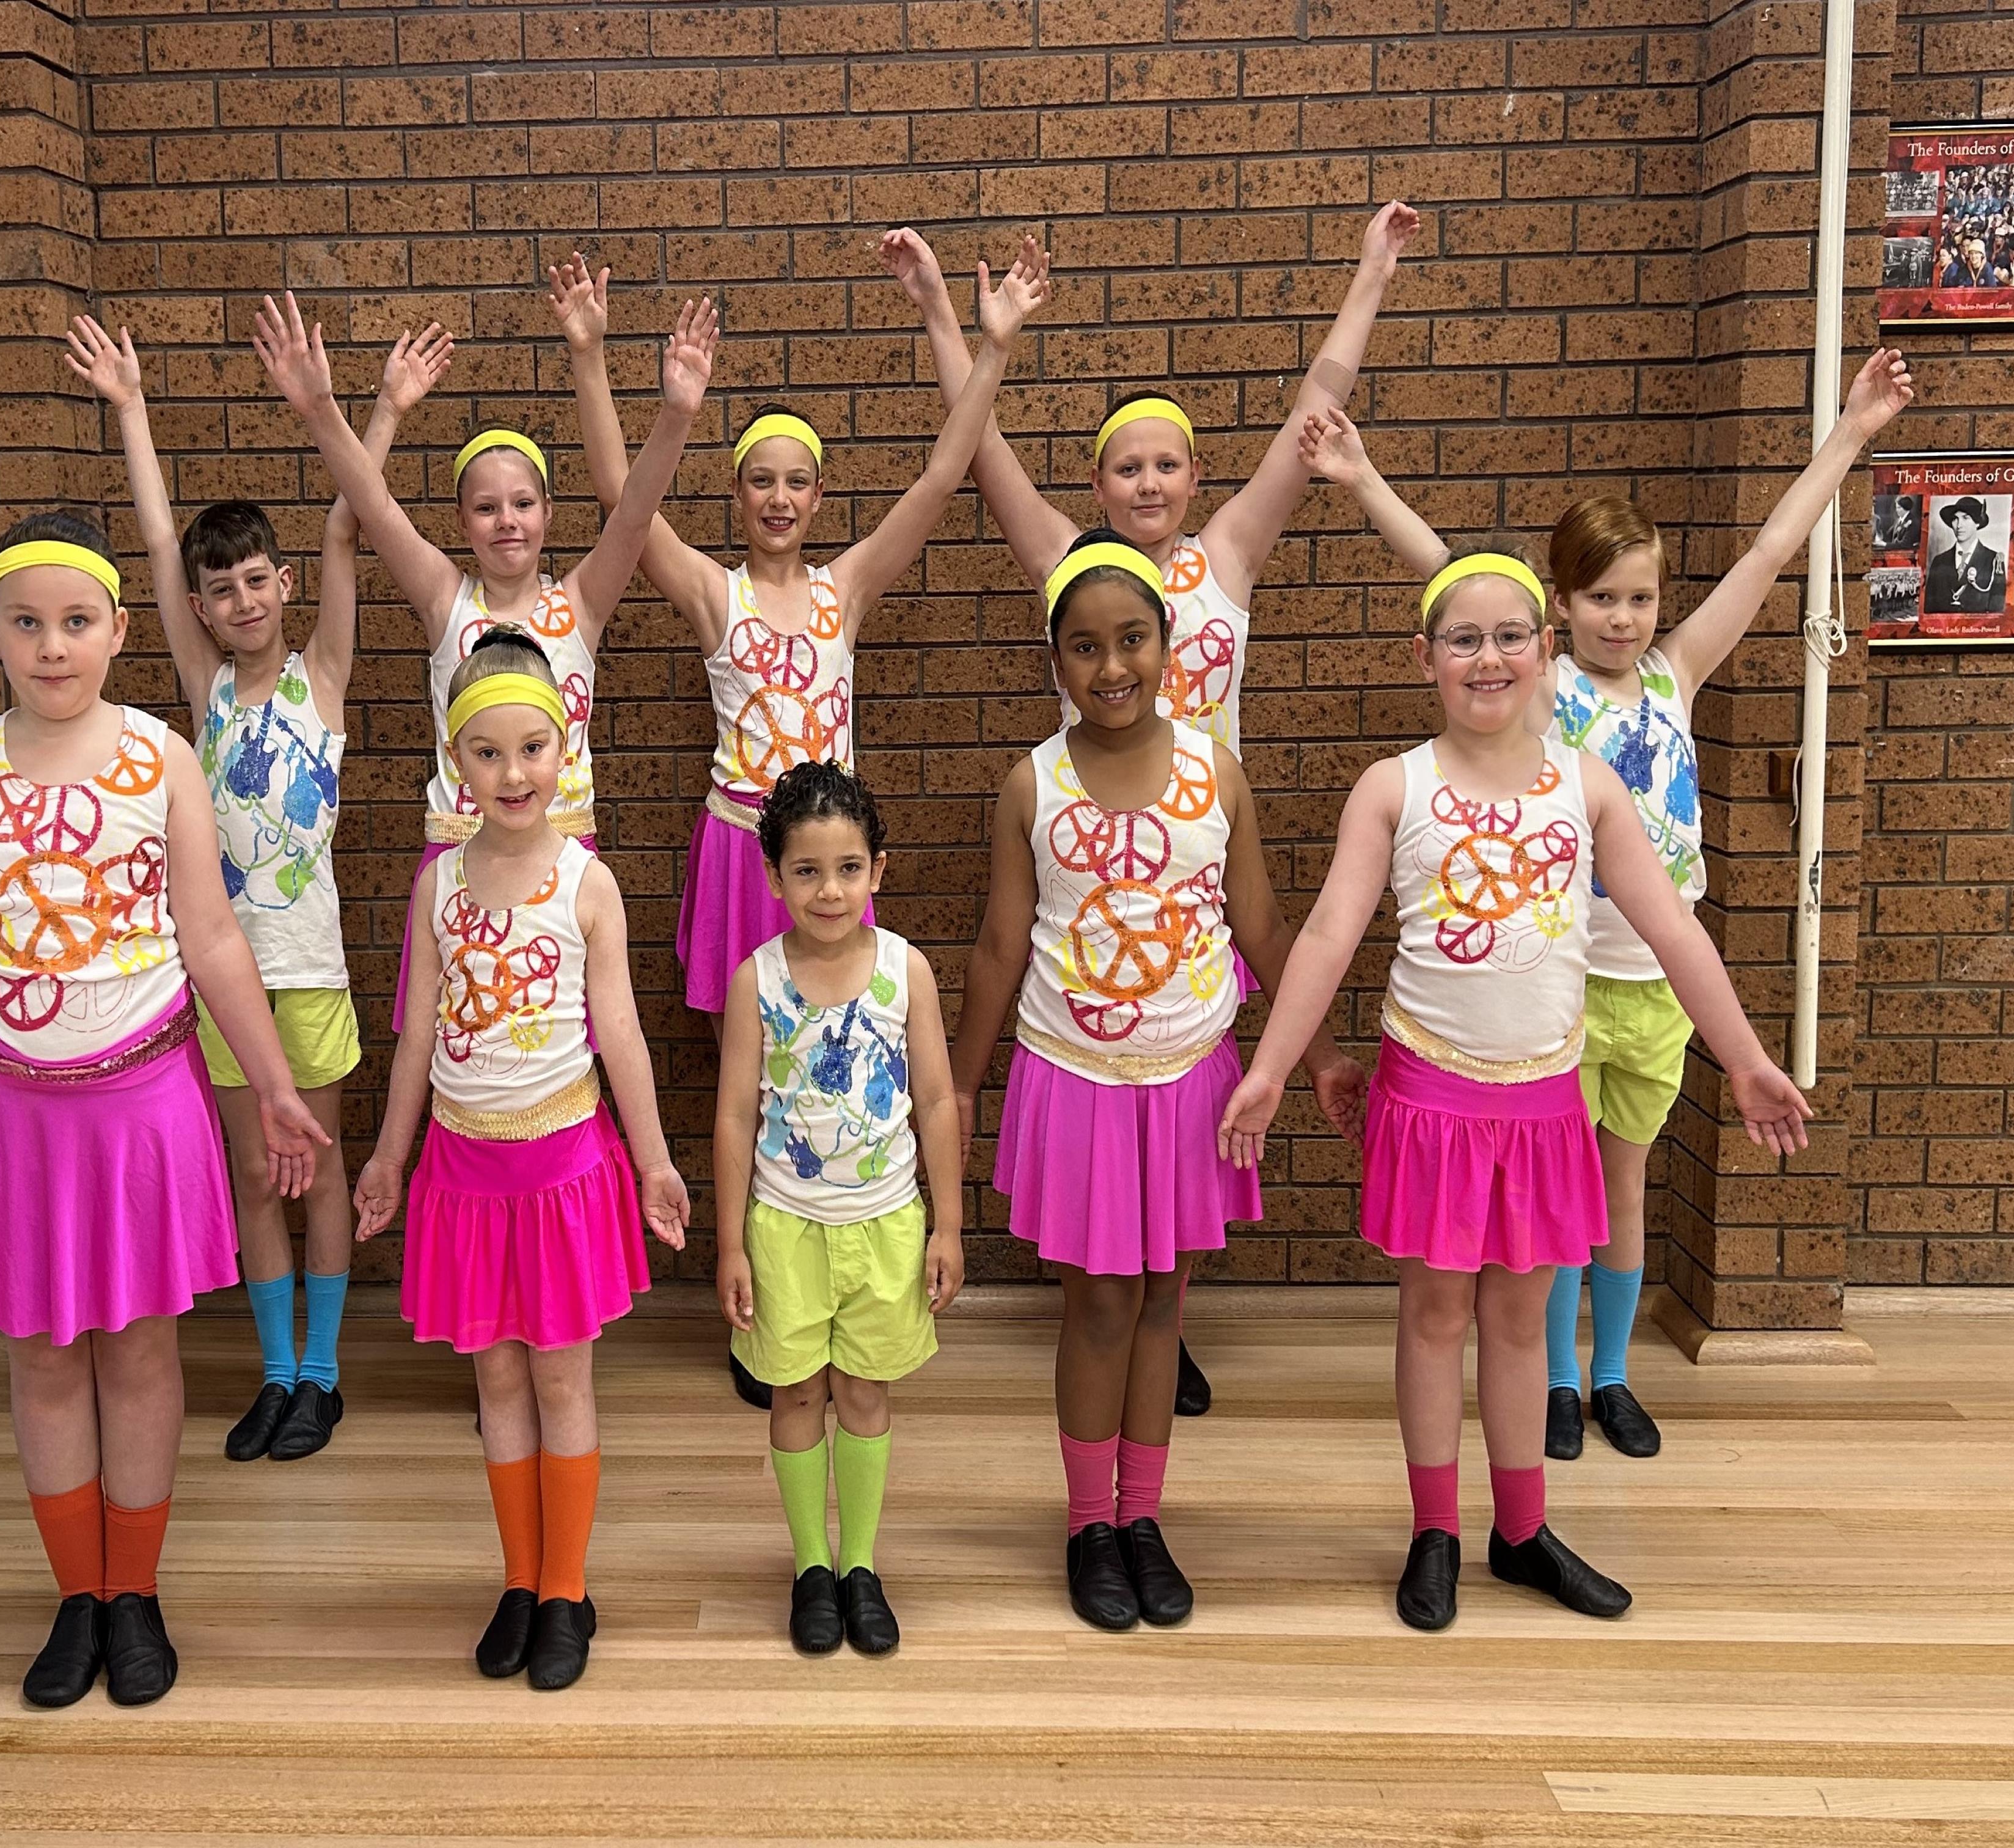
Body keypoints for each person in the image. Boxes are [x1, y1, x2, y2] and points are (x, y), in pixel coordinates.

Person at [1300, 346, 1911, 1458]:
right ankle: (1553, 1383)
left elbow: (1773, 550)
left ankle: (1612, 1373)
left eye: (1638, 598)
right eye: (1598, 599)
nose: (1622, 619)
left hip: (1657, 987)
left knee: (1618, 1184)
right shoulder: (1540, 684)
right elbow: (1452, 573)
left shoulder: (1679, 672)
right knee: (1555, 1207)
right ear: (1556, 610)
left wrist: (1852, 434)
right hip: (1554, 990)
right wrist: (1361, 478)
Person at [884, 202, 1419, 1417]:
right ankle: (1111, 1328)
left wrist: (1372, 272)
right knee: (1115, 1080)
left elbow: (1312, 411)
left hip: (1201, 853)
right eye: (1127, 466)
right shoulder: (1076, 568)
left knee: (1194, 1092)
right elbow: (983, 454)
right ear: (1100, 484)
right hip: (1094, 870)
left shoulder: (1229, 554)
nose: (1148, 482)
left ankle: (1156, 1322)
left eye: (1166, 463)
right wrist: (943, 319)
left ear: (1193, 477)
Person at [1217, 548, 1812, 1632]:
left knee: (1523, 1313)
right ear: (1424, 658)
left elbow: (1672, 927)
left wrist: (1744, 1055)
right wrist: (1267, 1068)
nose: (1486, 657)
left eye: (1507, 637)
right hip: (1432, 1095)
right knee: (1436, 1311)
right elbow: (1326, 935)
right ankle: (1435, 1527)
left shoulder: (1588, 786)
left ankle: (1522, 1529)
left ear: (1544, 652)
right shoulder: (1394, 788)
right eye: (1461, 639)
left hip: (1543, 1100)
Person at [0, 513, 329, 1706]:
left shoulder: (162, 760)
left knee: (142, 1353)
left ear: (114, 632)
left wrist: (272, 1084)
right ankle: (77, 1597)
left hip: (142, 1104)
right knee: (44, 1359)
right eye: (27, 623)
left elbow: (211, 936)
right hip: (8, 1114)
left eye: (77, 622)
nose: (53, 646)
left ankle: (138, 1594)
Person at [547, 238, 1048, 1412]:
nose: (776, 497)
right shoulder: (710, 588)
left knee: (836, 1050)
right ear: (737, 495)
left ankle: (842, 1266)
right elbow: (627, 505)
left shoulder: (844, 587)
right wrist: (592, 363)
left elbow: (939, 473)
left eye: (796, 481)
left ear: (818, 495)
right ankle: (766, 1280)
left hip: (827, 850)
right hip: (740, 850)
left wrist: (995, 342)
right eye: (757, 480)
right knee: (751, 1062)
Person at [950, 532, 1364, 1632]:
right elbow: (998, 946)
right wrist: (954, 1087)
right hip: (1073, 1073)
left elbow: (1261, 923)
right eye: (1083, 647)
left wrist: (1316, 1050)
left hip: (1190, 1073)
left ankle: (1145, 1516)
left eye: (1130, 638)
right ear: (1055, 661)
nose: (1110, 665)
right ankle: (1089, 1522)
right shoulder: (1028, 784)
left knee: (1164, 1298)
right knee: (1097, 1303)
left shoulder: (1212, 774)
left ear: (1168, 645)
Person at [65, 315, 376, 1466]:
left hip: (314, 977)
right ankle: (280, 1370)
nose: (242, 601)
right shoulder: (206, 694)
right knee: (257, 1173)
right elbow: (154, 541)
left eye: (258, 581)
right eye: (221, 589)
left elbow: (353, 521)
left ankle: (328, 1372)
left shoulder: (323, 676)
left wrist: (367, 409)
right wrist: (132, 408)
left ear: (283, 585)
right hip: (226, 981)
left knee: (322, 1170)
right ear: (197, 608)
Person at [353, 631, 690, 1692]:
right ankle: (517, 1575)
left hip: (561, 1169)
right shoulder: (436, 886)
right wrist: (387, 1156)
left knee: (559, 1373)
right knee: (495, 1376)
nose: (512, 773)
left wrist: (654, 1162)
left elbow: (622, 1034)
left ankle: (566, 1587)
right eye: (488, 753)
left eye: (532, 748)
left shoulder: (587, 884)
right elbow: (415, 1035)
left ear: (565, 749)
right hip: (463, 1169)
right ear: (458, 761)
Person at [247, 287, 717, 1030]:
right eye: (487, 507)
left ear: (548, 515)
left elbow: (633, 512)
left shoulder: (581, 602)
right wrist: (323, 411)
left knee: (564, 1048)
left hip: (561, 857)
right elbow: (371, 503)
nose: (508, 522)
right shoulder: (446, 600)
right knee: (455, 1049)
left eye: (524, 504)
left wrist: (676, 415)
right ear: (462, 521)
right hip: (459, 859)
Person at [712, 762, 967, 1657]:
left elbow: (936, 1102)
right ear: (774, 875)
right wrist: (731, 1244)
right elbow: (737, 1112)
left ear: (879, 871)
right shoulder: (758, 981)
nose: (830, 889)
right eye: (808, 870)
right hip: (784, 1227)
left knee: (863, 1390)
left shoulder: (908, 972)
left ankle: (861, 1564)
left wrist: (947, 1224)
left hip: (888, 1224)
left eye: (849, 868)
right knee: (797, 1391)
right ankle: (810, 1567)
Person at [1925, 495, 2007, 615]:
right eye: (1955, 519)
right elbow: (1929, 608)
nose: (1959, 526)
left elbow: (1997, 611)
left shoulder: (1993, 561)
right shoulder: (1939, 561)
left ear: (1977, 523)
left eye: (1965, 518)